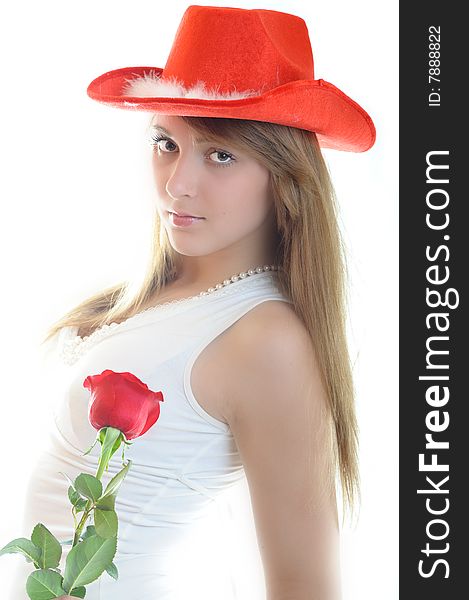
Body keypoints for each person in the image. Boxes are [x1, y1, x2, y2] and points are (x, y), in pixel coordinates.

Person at [8, 5, 375, 600]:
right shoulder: (158, 294)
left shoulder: (266, 340)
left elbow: (307, 586)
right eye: (165, 142)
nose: (178, 182)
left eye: (220, 154)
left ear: (286, 177)